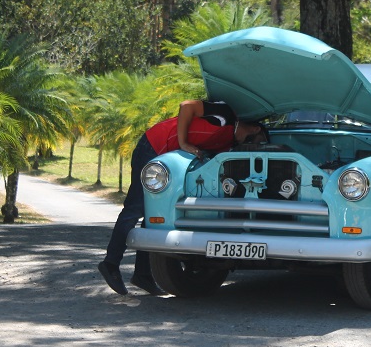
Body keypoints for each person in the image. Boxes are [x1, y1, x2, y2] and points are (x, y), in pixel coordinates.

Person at [98, 100, 268, 295]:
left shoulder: (227, 143)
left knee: (155, 214)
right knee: (135, 208)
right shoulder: (224, 113)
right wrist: (184, 142)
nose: (247, 146)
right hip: (154, 146)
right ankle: (110, 264)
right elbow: (186, 106)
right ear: (254, 129)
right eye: (253, 142)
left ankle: (143, 274)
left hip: (169, 159)